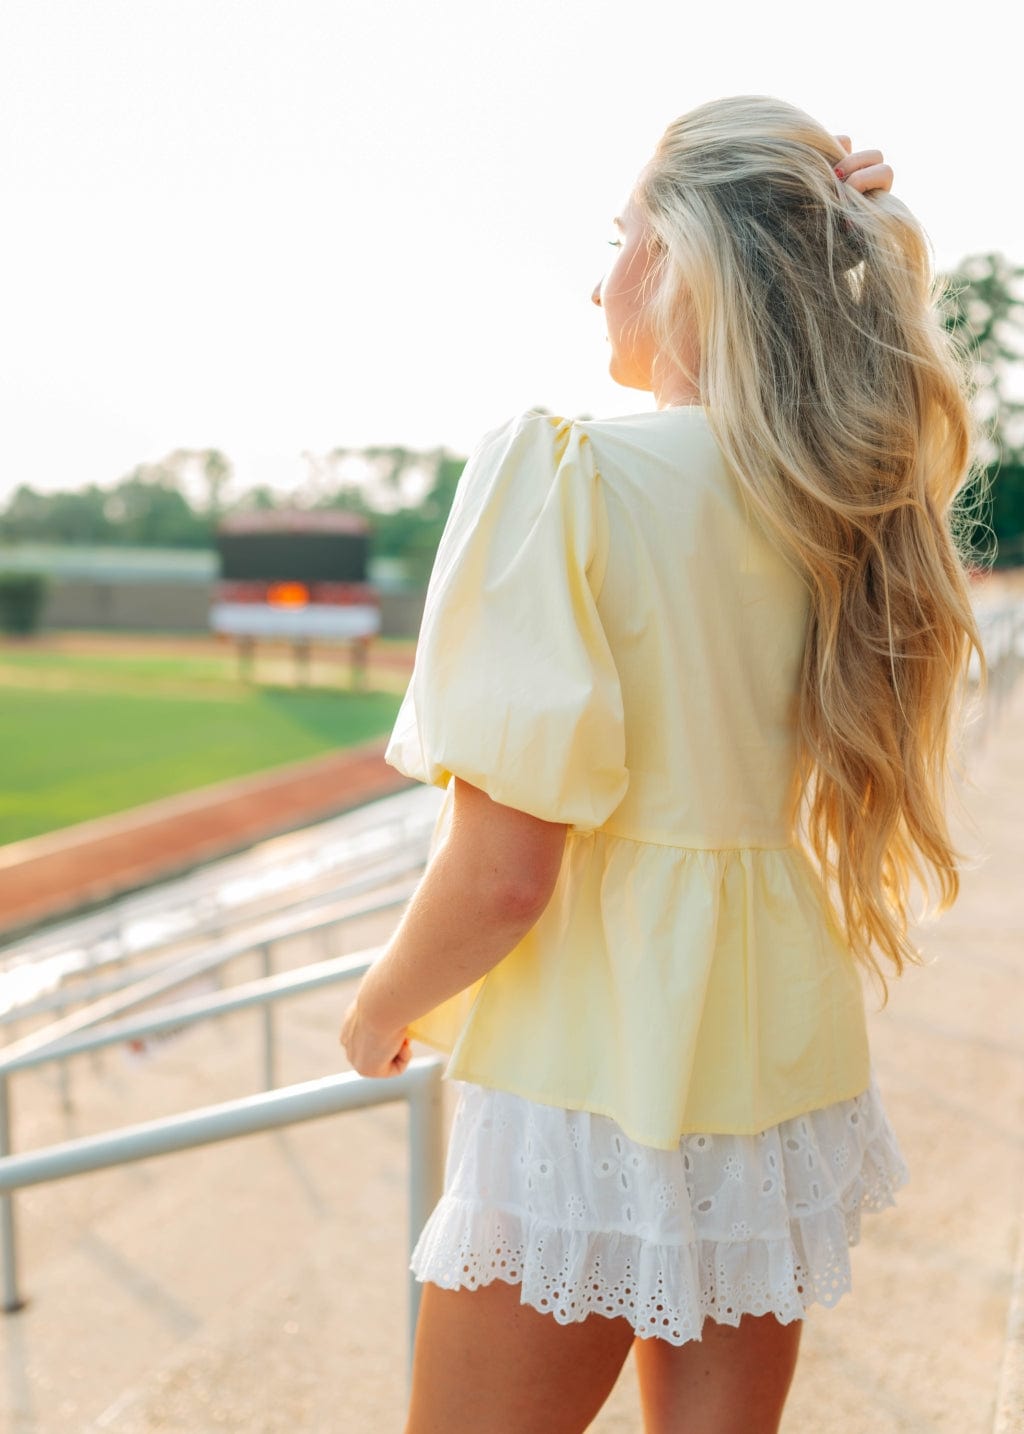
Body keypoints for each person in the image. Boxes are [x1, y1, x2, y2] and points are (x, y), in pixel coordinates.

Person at [340, 97, 982, 1434]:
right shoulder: (845, 498)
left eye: (621, 236)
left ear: (685, 258)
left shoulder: (565, 473)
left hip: (589, 1055)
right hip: (773, 1042)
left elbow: (506, 874)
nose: (599, 282)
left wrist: (378, 1003)